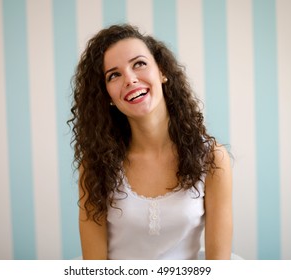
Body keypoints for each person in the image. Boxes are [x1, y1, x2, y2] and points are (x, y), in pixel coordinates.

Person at [69, 24, 232, 260]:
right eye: (114, 75)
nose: (130, 79)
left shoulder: (212, 158)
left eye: (139, 64)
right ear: (108, 97)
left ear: (162, 71)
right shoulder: (95, 165)